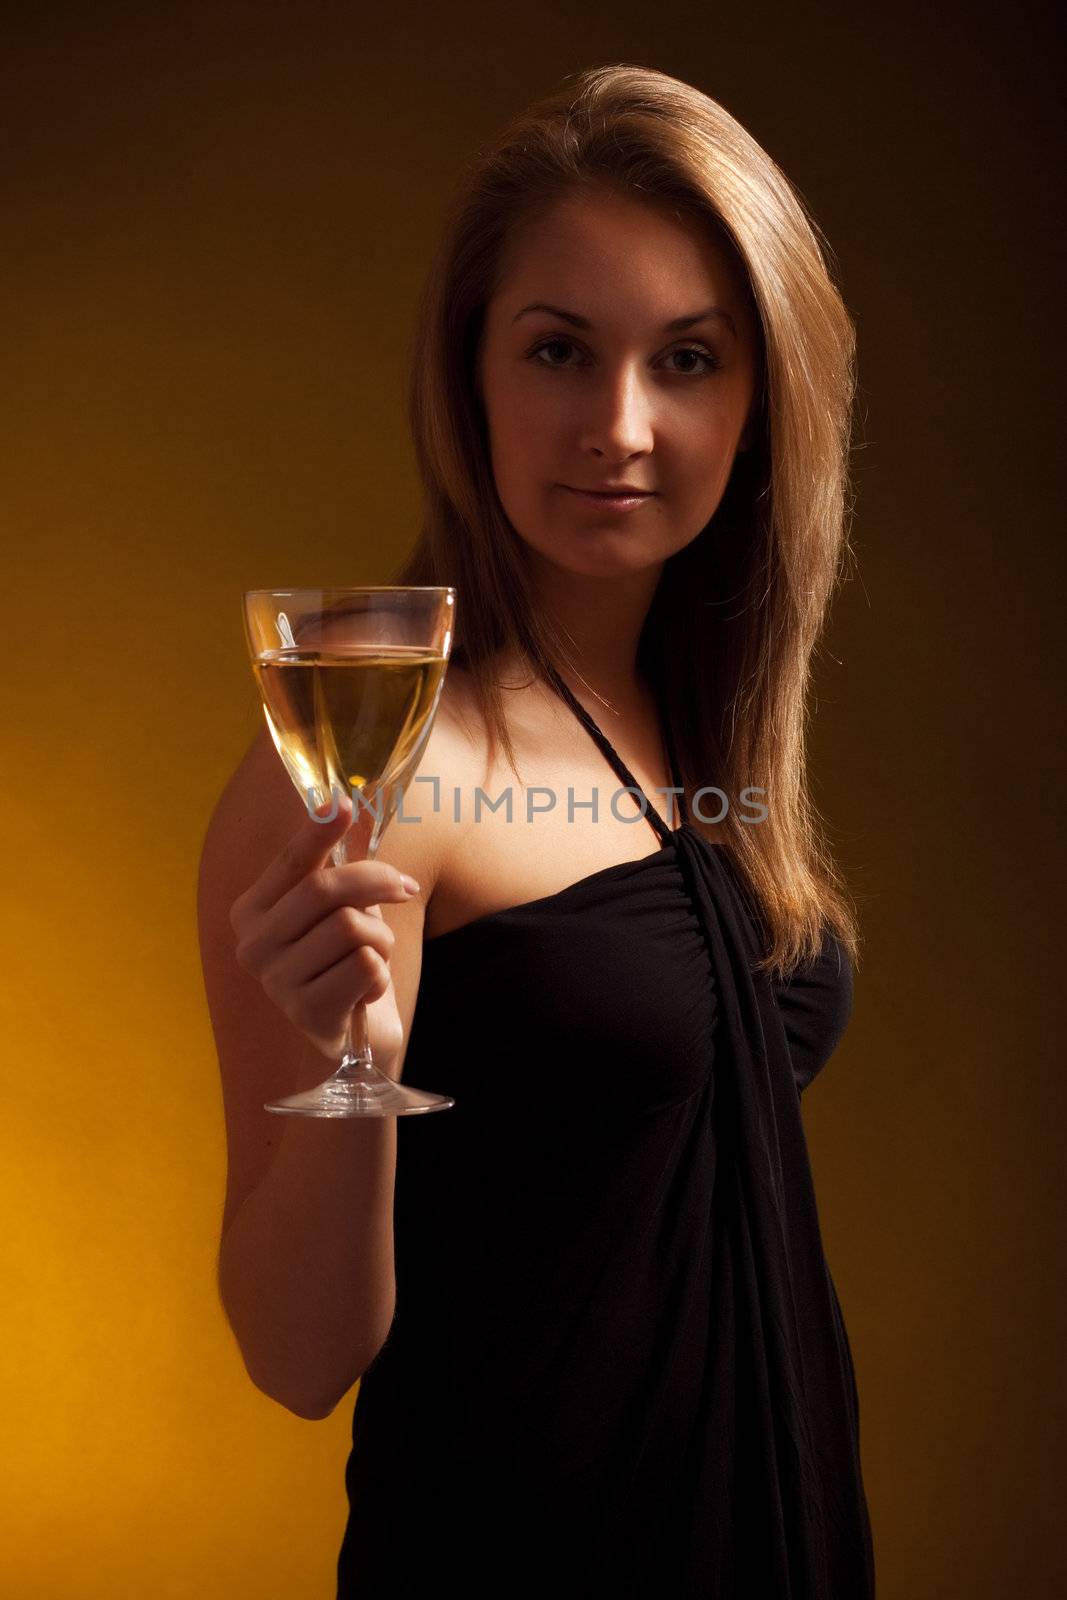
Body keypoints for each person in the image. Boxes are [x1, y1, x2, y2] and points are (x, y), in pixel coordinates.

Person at [197, 62, 876, 1598]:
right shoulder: (374, 763)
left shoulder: (709, 733)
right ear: (472, 375)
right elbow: (299, 1359)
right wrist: (353, 1063)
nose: (619, 425)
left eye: (689, 359)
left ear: (763, 400)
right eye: (560, 350)